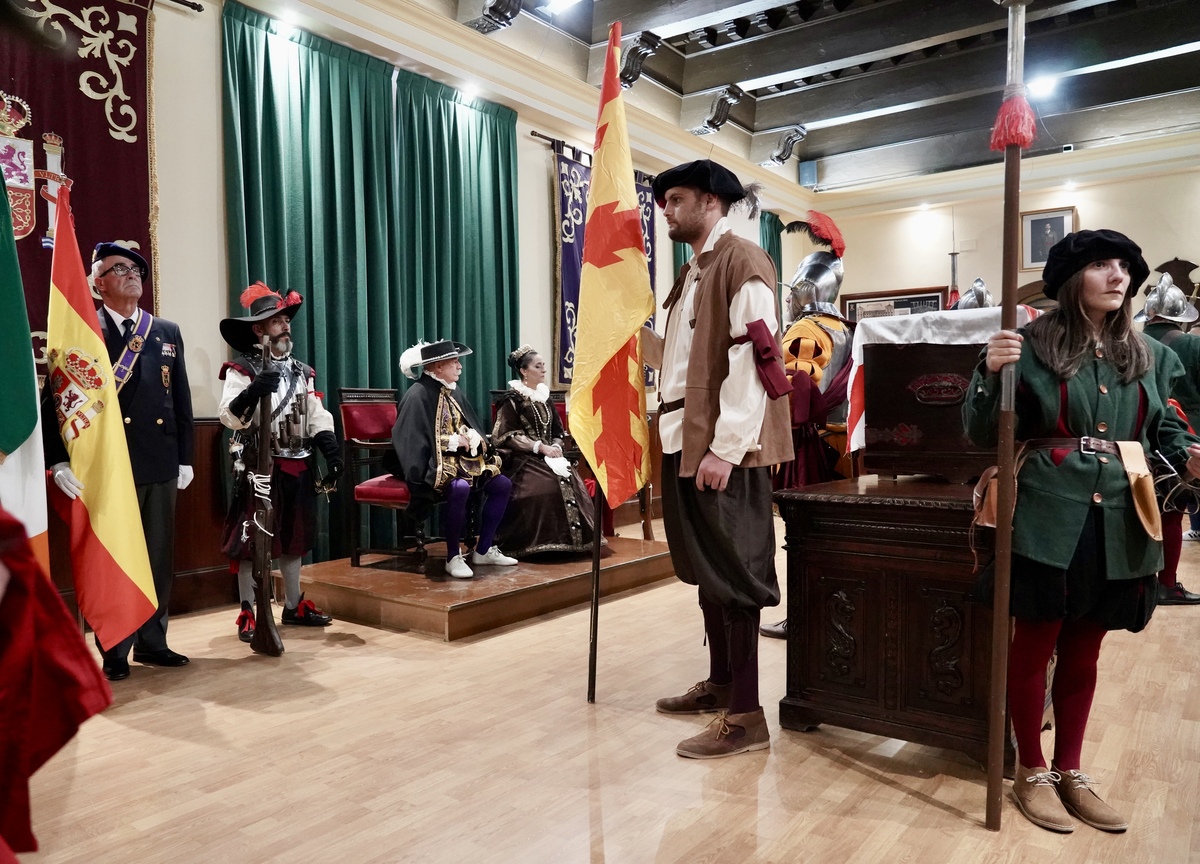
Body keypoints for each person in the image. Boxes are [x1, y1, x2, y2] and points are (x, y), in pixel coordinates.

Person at [965, 229, 1200, 833]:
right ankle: (1031, 769)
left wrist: (1188, 451)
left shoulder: (1153, 355)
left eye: (1125, 266)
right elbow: (981, 430)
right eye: (1102, 265)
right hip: (1045, 509)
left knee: (1087, 645)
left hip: (1121, 512)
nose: (1118, 276)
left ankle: (1071, 770)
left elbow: (1162, 433)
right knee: (1035, 640)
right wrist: (991, 374)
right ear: (1073, 279)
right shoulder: (1024, 346)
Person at [642, 160, 794, 759]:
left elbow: (754, 361)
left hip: (723, 445)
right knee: (708, 573)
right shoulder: (693, 273)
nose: (667, 211)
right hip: (686, 435)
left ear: (711, 201)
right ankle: (724, 683)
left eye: (676, 200)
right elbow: (682, 362)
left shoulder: (742, 262)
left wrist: (726, 450)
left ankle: (746, 714)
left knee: (735, 575)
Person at [44, 242, 195, 682]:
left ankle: (154, 642)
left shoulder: (165, 330)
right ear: (96, 283)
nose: (132, 275)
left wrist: (185, 457)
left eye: (136, 269)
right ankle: (115, 647)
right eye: (118, 269)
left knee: (156, 555)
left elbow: (180, 399)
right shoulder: (82, 331)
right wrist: (58, 462)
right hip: (106, 466)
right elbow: (55, 401)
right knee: (113, 555)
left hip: (158, 459)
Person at [218, 283, 339, 642]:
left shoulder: (302, 371)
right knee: (252, 541)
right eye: (277, 321)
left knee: (293, 538)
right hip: (259, 464)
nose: (285, 326)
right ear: (259, 329)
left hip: (298, 462)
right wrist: (255, 390)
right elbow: (229, 416)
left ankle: (292, 605)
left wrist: (330, 449)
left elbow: (315, 413)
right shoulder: (241, 368)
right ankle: (248, 610)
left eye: (286, 320)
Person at [762, 247, 854, 640]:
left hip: (812, 447)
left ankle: (803, 615)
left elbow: (795, 395)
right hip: (844, 448)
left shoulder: (805, 331)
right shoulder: (846, 328)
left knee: (801, 539)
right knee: (834, 540)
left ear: (804, 287)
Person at [389, 340, 517, 579]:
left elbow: (468, 423)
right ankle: (452, 556)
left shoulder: (453, 389)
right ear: (437, 366)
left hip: (463, 462)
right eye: (454, 361)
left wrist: (474, 436)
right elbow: (410, 438)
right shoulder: (418, 393)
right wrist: (451, 442)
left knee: (502, 484)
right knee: (459, 488)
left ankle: (483, 549)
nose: (459, 366)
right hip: (431, 465)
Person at [491, 346, 596, 557]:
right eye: (538, 366)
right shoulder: (513, 399)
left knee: (570, 479)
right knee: (546, 486)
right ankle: (542, 544)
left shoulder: (545, 398)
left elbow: (558, 431)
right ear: (524, 371)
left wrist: (556, 446)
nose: (543, 370)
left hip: (551, 455)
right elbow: (506, 435)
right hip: (523, 459)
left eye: (543, 366)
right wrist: (538, 447)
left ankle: (574, 543)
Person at [1136, 274, 1200, 605]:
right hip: (1185, 436)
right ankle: (1167, 583)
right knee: (1174, 509)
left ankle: (1147, 580)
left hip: (1144, 439)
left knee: (1152, 509)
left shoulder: (1137, 342)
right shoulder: (1192, 345)